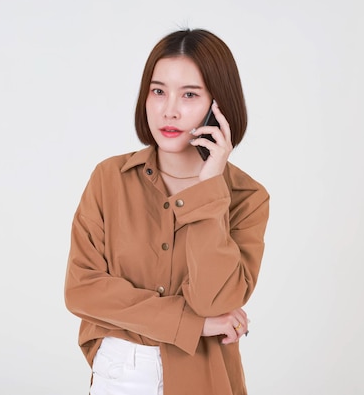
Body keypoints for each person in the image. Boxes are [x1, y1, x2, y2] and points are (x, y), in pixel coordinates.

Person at [64, 28, 270, 395]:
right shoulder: (109, 178)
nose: (168, 109)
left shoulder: (246, 197)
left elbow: (216, 301)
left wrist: (209, 189)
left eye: (189, 94)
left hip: (204, 379)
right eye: (158, 91)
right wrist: (194, 323)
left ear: (218, 105)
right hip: (120, 375)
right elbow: (82, 291)